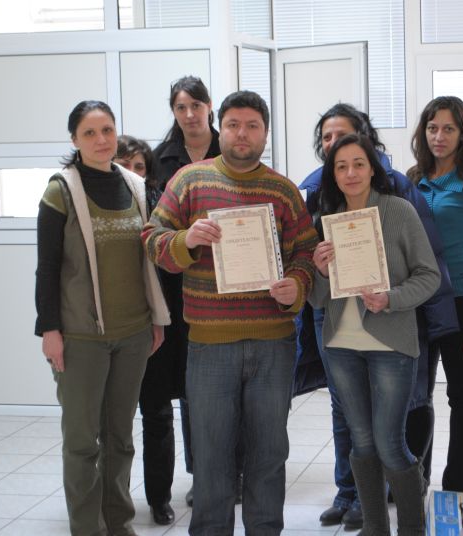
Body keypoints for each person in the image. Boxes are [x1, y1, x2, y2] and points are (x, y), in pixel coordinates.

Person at [143, 90, 318, 536]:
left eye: (252, 126)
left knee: (269, 452)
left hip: (273, 345)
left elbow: (306, 252)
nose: (243, 134)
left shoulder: (282, 190)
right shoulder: (188, 181)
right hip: (209, 346)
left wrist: (296, 285)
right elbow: (152, 239)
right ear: (221, 128)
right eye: (234, 124)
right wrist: (186, 240)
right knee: (211, 454)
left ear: (265, 133)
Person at [296, 103, 456, 529]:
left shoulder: (399, 210)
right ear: (331, 173)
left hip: (391, 344)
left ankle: (411, 529)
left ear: (373, 168)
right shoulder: (326, 219)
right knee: (362, 444)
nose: (350, 173)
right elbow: (316, 300)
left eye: (358, 164)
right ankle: (373, 527)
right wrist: (321, 272)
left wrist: (391, 298)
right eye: (341, 166)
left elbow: (428, 277)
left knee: (390, 444)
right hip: (341, 346)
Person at [35, 100, 170, 536]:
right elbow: (47, 268)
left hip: (133, 333)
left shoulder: (134, 186)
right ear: (74, 139)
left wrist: (155, 319)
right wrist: (49, 330)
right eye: (90, 133)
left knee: (120, 440)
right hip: (80, 337)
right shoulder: (60, 191)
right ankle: (87, 528)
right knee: (82, 444)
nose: (101, 140)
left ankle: (119, 524)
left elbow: (146, 261)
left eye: (107, 130)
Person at [151, 75, 222, 512]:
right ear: (174, 112)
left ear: (210, 106)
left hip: (226, 285)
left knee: (223, 388)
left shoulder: (230, 149)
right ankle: (201, 474)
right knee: (192, 388)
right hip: (175, 287)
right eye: (181, 107)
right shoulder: (161, 160)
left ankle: (228, 468)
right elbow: (155, 223)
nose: (190, 114)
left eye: (197, 105)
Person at [408, 96, 463, 493]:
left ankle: (457, 485)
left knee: (462, 394)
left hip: (459, 298)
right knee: (415, 394)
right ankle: (412, 480)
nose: (439, 136)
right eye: (432, 128)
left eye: (448, 129)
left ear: (462, 133)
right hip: (417, 299)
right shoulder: (410, 180)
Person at [114, 134, 180, 525]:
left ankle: (159, 498)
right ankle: (114, 500)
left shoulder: (161, 207)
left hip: (155, 327)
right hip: (112, 328)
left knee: (157, 415)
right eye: (124, 166)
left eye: (139, 167)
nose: (132, 173)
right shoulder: (98, 207)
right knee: (114, 423)